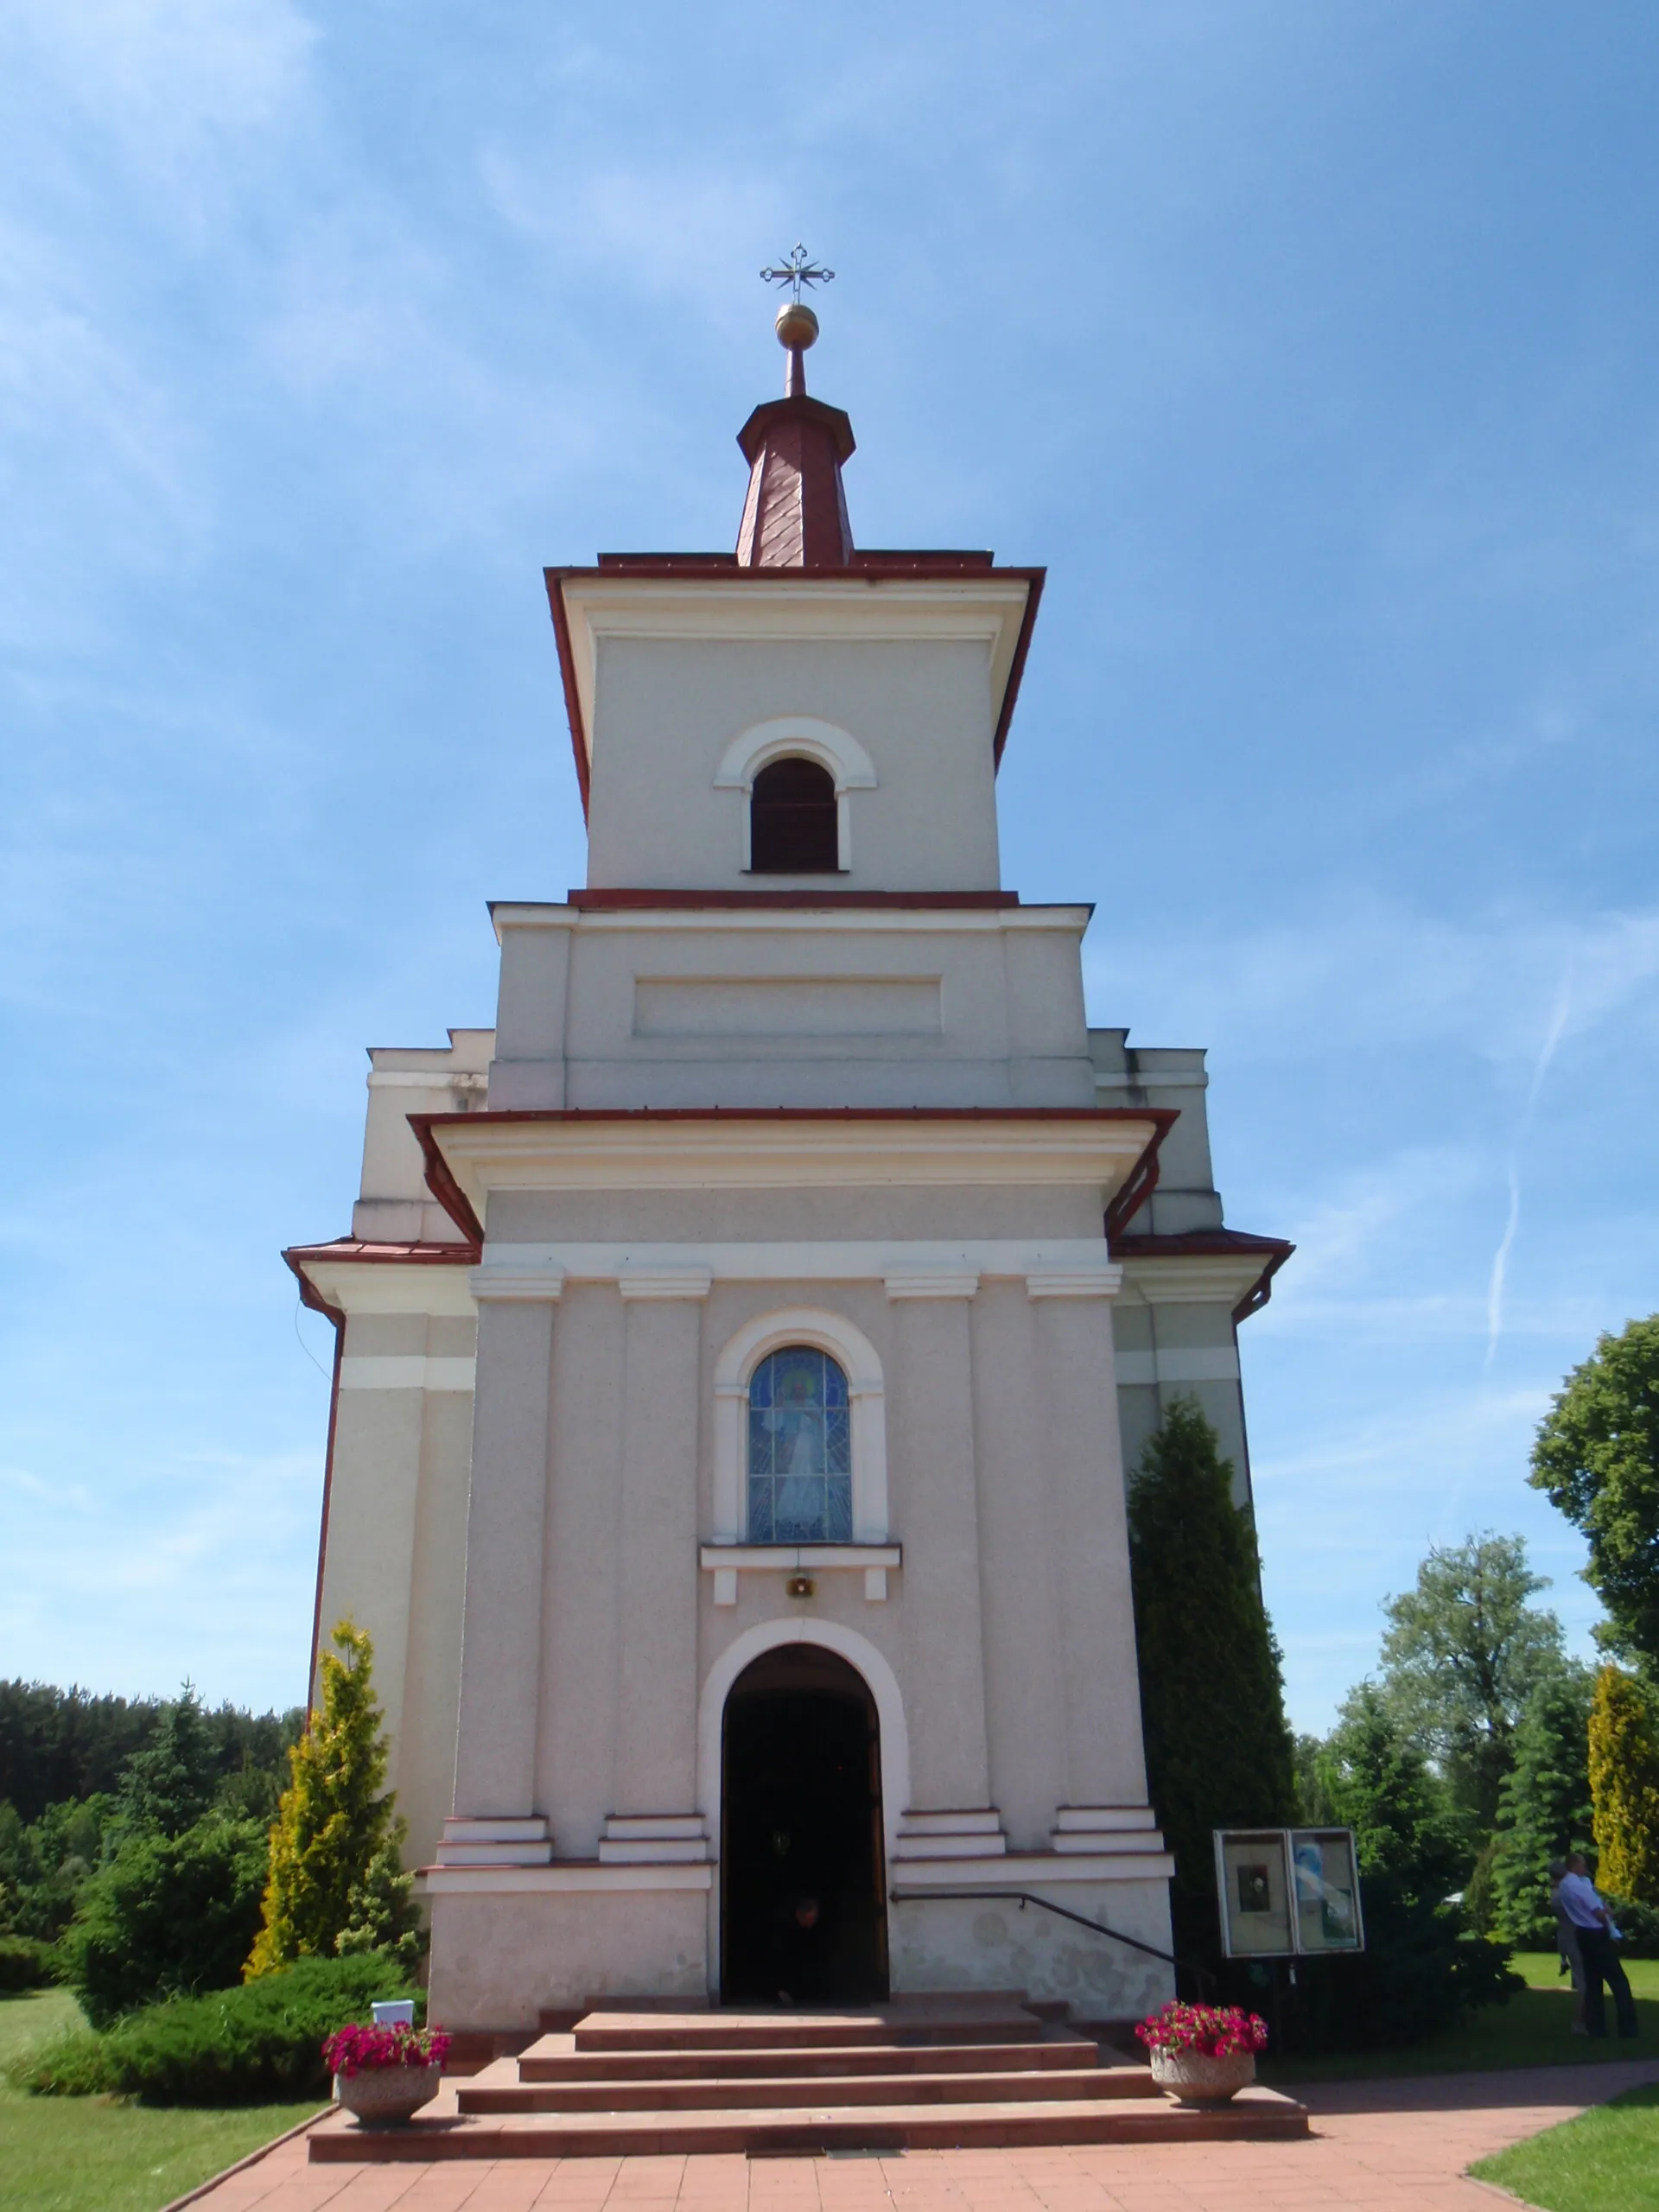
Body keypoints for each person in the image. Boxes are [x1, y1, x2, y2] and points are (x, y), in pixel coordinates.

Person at [1556, 1853, 1638, 2039]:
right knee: (1619, 1981)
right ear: (1574, 1865)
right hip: (1595, 1932)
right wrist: (1609, 1916)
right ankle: (1628, 2029)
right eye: (1583, 1864)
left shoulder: (1564, 1886)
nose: (1585, 1868)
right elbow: (1598, 1912)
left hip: (1582, 1933)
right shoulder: (1579, 1886)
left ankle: (1596, 2028)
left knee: (1593, 1982)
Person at [1547, 1859, 1586, 2034]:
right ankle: (1579, 2022)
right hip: (1575, 1939)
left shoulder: (1556, 1892)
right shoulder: (1564, 1894)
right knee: (1584, 1983)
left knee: (1582, 1981)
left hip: (1567, 1938)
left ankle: (1583, 2020)